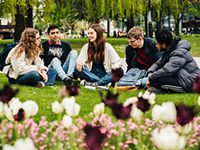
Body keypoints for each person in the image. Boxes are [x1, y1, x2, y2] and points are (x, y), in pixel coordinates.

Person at [146, 29, 200, 94]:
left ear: (163, 45)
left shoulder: (179, 52)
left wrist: (152, 78)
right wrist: (150, 73)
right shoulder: (169, 50)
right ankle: (160, 88)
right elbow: (158, 63)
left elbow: (168, 70)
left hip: (191, 81)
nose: (156, 46)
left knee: (161, 80)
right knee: (159, 78)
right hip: (181, 78)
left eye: (157, 44)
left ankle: (162, 89)